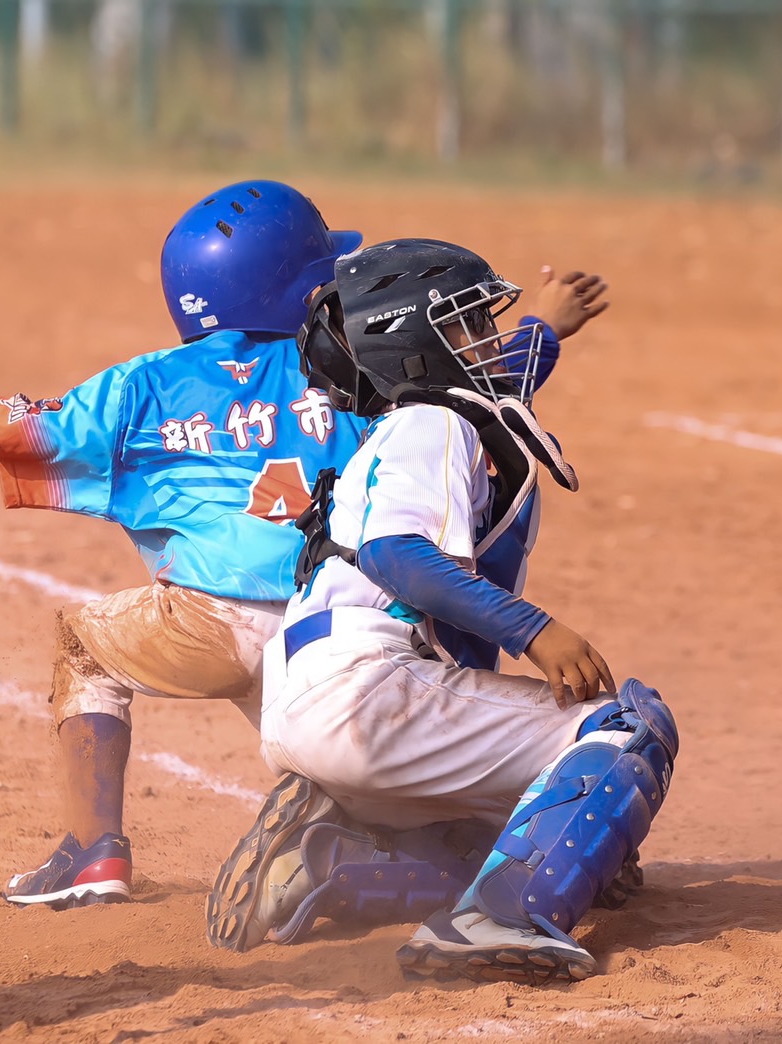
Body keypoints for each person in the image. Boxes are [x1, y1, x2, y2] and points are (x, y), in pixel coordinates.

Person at [0, 181, 612, 914]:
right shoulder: (353, 371)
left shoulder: (144, 385)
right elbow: (468, 382)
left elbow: (23, 428)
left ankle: (93, 852)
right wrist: (543, 326)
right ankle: (509, 842)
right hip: (337, 636)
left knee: (82, 644)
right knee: (377, 783)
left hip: (207, 626)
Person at [244, 238, 678, 984]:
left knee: (538, 837)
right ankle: (496, 919)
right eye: (467, 326)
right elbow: (395, 556)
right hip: (368, 693)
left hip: (314, 694)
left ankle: (336, 860)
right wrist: (535, 631)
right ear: (416, 345)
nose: (489, 342)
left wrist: (546, 327)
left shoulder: (419, 423)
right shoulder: (432, 425)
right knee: (626, 728)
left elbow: (498, 388)